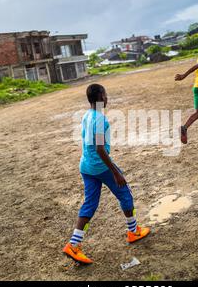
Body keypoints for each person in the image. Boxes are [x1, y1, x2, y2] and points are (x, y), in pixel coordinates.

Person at [63, 83, 150, 264]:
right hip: (99, 166)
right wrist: (115, 172)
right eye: (106, 94)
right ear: (101, 97)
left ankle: (73, 244)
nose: (107, 97)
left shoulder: (87, 115)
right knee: (124, 193)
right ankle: (133, 232)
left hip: (85, 166)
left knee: (90, 204)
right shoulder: (100, 119)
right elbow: (100, 149)